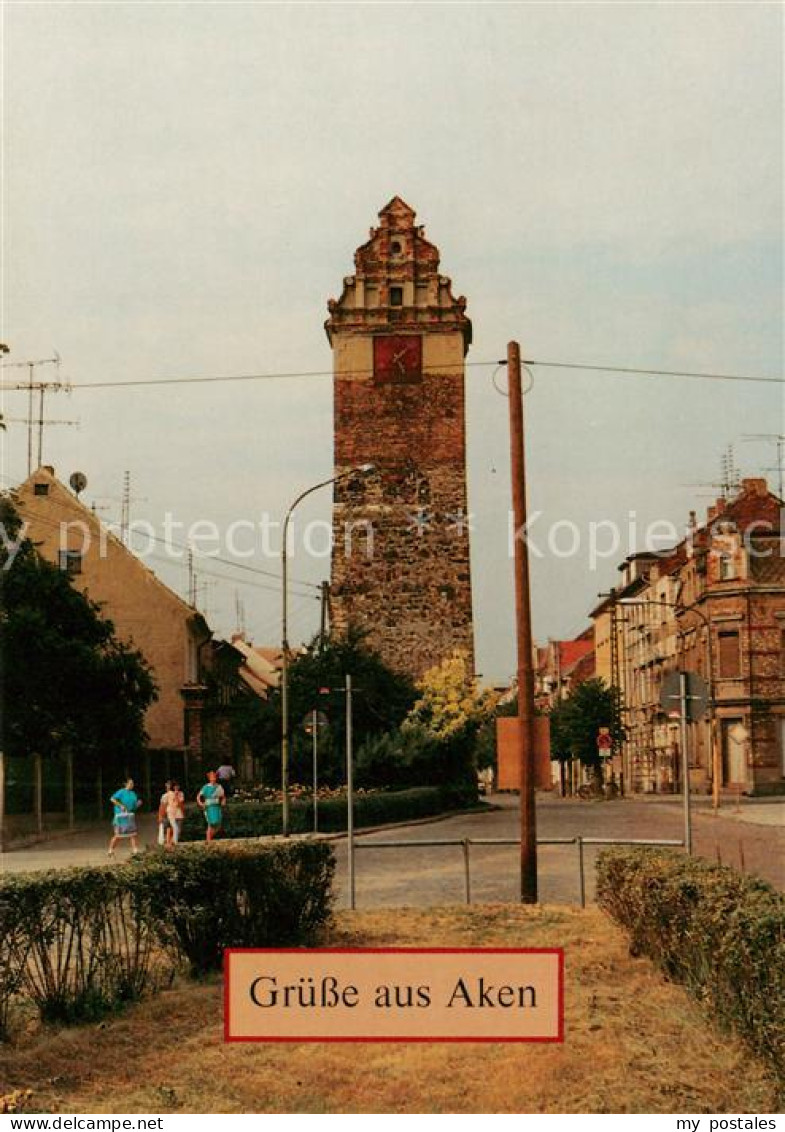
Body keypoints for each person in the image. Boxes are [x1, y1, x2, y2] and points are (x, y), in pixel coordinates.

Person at [108, 777, 142, 857]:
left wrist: (137, 805)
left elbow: (133, 807)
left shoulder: (133, 794)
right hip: (120, 816)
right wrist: (120, 805)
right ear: (126, 784)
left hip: (129, 816)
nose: (132, 785)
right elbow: (112, 799)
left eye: (132, 783)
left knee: (133, 834)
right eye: (130, 783)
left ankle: (135, 850)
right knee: (118, 835)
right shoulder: (121, 791)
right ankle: (110, 850)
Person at [197, 770, 225, 842]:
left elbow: (223, 796)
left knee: (218, 824)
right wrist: (200, 803)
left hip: (217, 806)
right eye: (212, 777)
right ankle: (208, 840)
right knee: (211, 823)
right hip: (209, 806)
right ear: (209, 778)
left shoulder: (219, 786)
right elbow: (199, 796)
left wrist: (223, 801)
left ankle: (209, 838)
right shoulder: (206, 787)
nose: (213, 778)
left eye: (214, 777)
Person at [164, 780, 185, 845]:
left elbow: (180, 804)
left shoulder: (181, 793)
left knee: (178, 830)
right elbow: (165, 804)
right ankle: (171, 843)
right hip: (171, 813)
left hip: (179, 814)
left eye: (178, 786)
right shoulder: (169, 794)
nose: (176, 787)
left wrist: (183, 812)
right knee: (173, 829)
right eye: (175, 786)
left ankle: (173, 842)